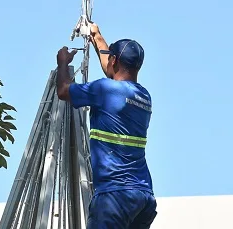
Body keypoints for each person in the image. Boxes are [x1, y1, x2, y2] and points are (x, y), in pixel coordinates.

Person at [56, 22, 157, 229]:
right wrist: (96, 36)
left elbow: (64, 91)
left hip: (114, 196)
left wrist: (63, 64)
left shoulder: (104, 90)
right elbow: (113, 72)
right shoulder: (143, 96)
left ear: (114, 60)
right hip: (143, 197)